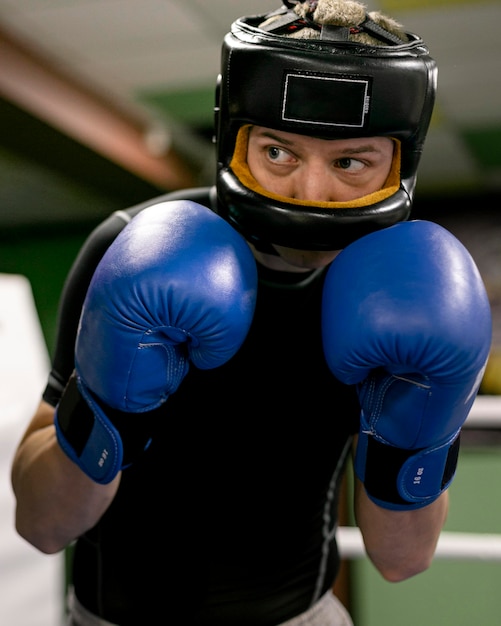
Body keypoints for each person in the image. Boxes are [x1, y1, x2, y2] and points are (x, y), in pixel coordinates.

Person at [10, 1, 492, 625]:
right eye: (279, 153)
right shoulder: (129, 248)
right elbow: (42, 525)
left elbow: (402, 558)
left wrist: (416, 433)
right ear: (234, 136)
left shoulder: (409, 287)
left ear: (399, 162)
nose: (309, 192)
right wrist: (106, 408)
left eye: (350, 162)